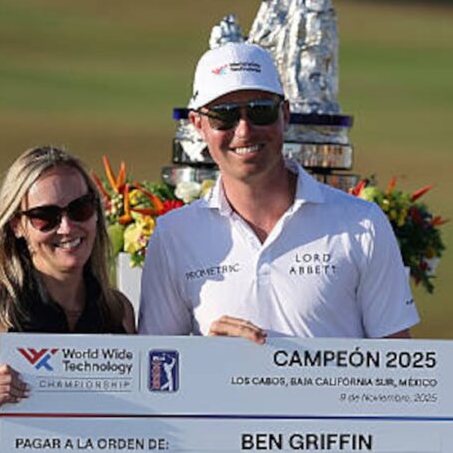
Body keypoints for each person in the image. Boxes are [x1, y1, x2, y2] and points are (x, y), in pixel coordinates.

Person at [138, 42, 418, 342]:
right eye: (224, 116)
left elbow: (396, 369)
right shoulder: (174, 234)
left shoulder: (362, 224)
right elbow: (156, 373)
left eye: (261, 111)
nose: (244, 130)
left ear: (285, 114)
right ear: (198, 124)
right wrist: (209, 355)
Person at [0, 146, 135, 452]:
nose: (67, 227)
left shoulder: (117, 310)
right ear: (17, 225)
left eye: (80, 208)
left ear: (97, 212)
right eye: (45, 216)